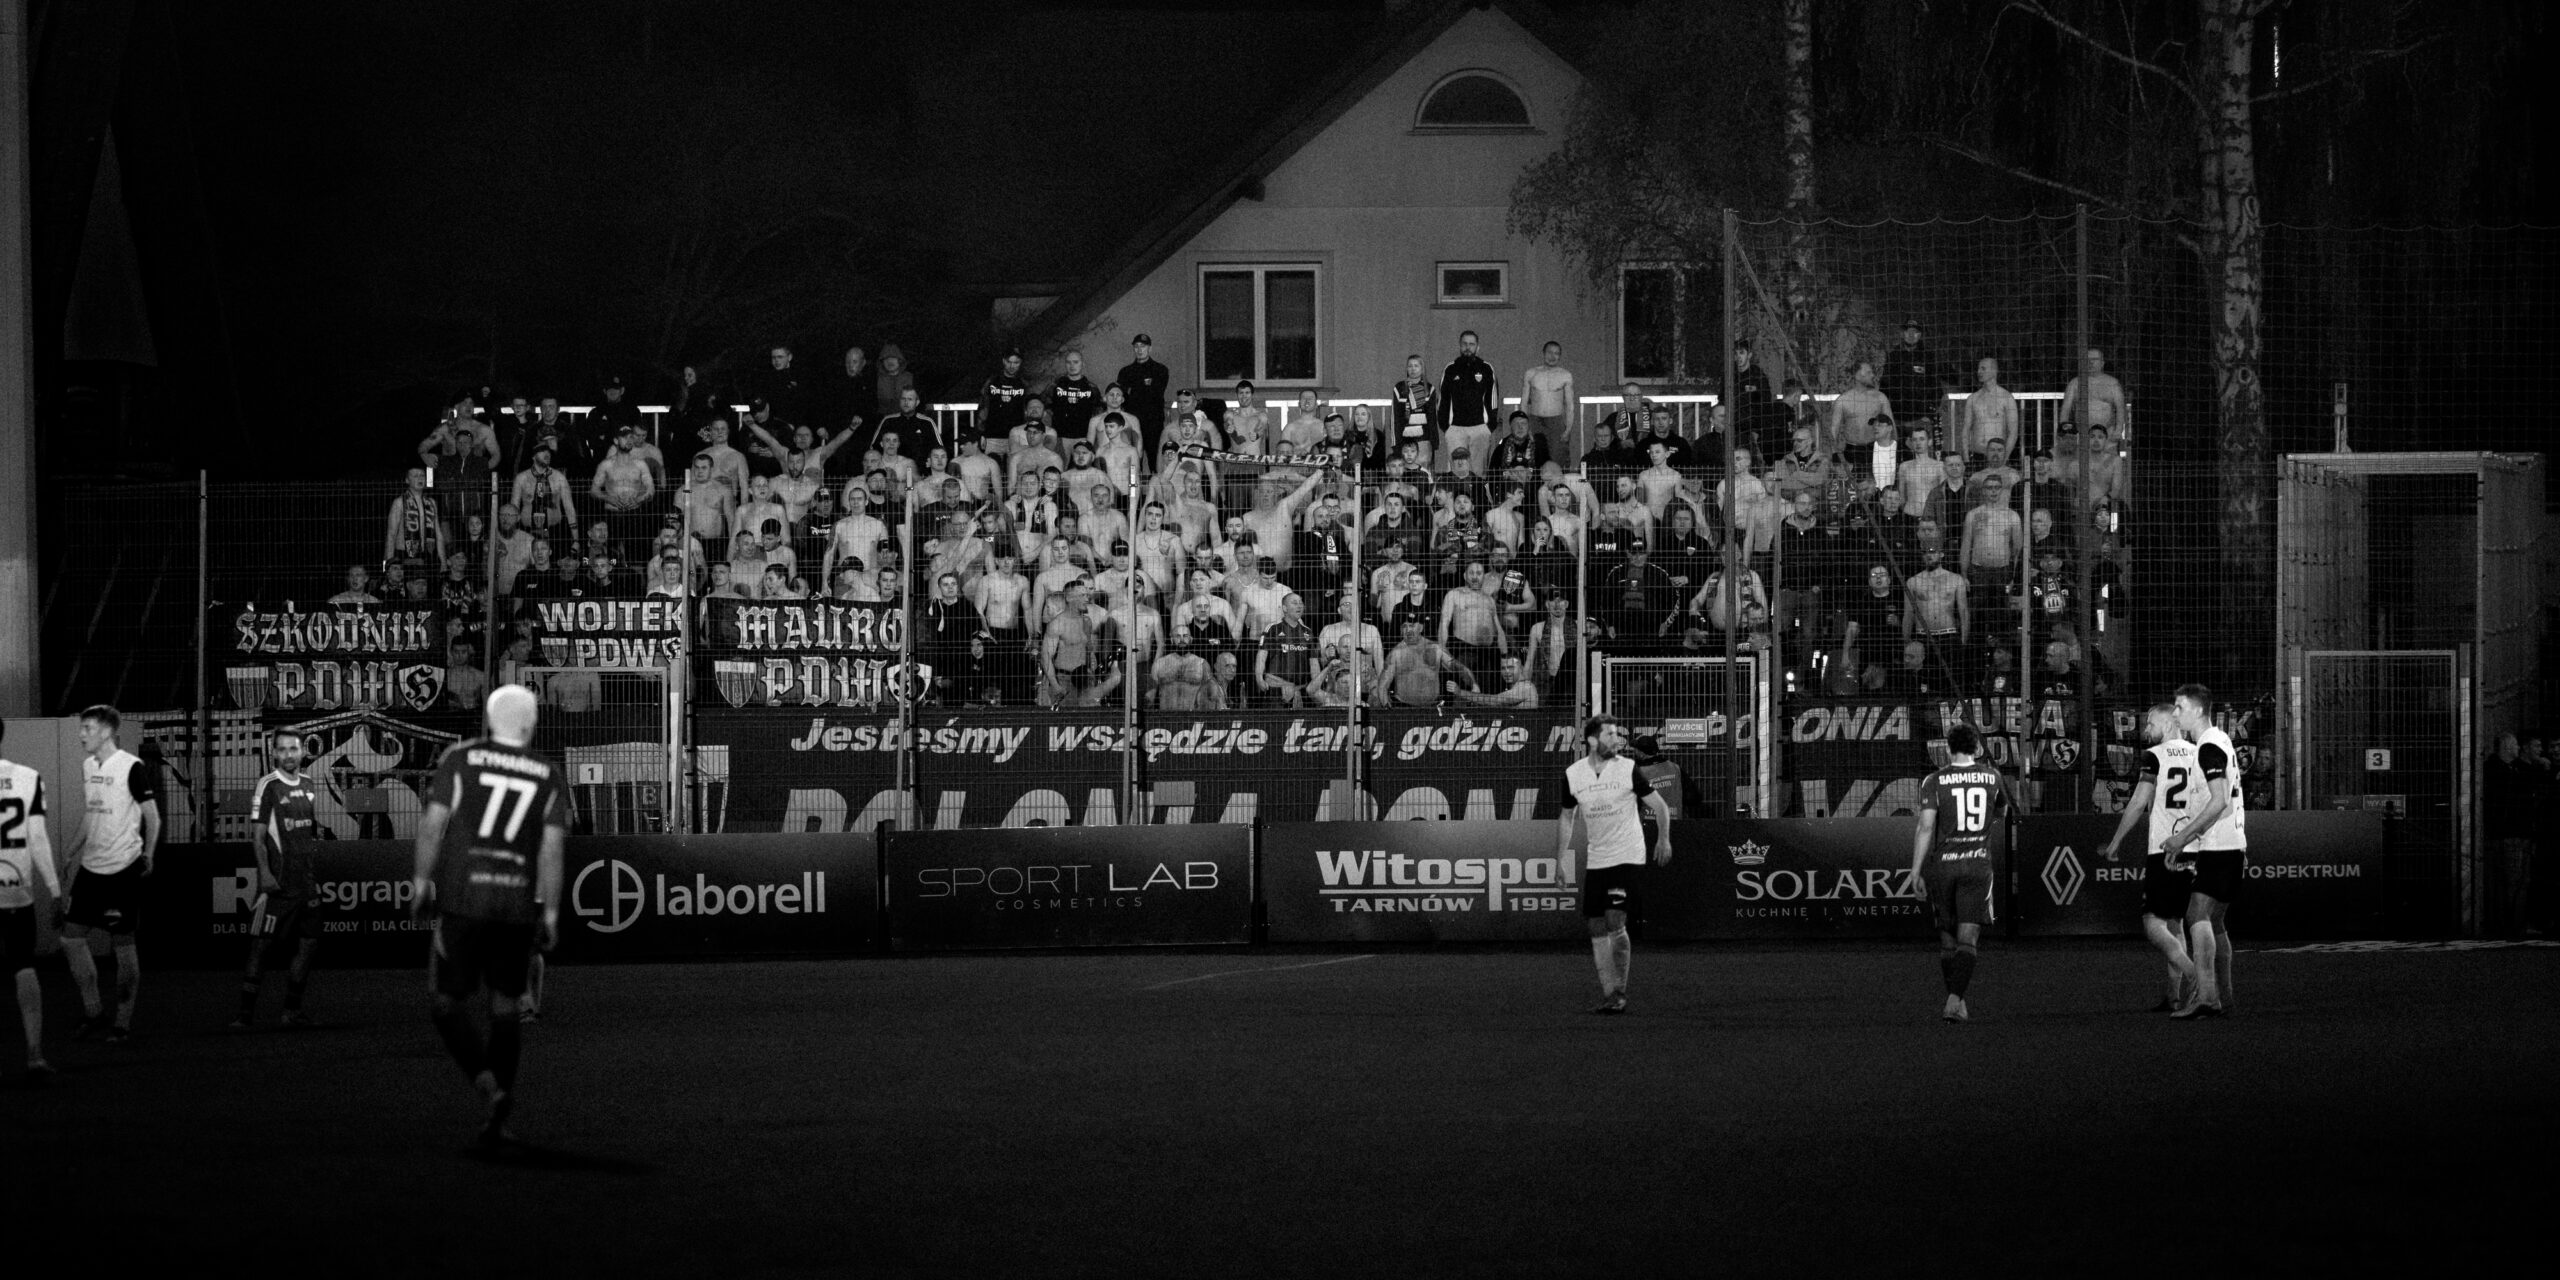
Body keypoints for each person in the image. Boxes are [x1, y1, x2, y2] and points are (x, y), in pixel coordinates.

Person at [412, 685, 571, 1149]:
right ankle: (498, 1121)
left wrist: (421, 881)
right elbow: (553, 849)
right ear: (531, 723)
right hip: (516, 905)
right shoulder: (548, 773)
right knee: (505, 1007)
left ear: (488, 719)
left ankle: (489, 1088)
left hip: (465, 899)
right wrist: (551, 912)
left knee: (445, 1002)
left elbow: (432, 825)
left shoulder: (461, 759)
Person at [1557, 714, 1673, 1016]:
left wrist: (1663, 840)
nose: (1617, 740)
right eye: (1610, 735)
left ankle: (1619, 992)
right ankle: (1609, 993)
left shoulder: (1628, 769)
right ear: (1592, 740)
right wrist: (1560, 859)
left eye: (1617, 734)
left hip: (1627, 854)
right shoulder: (1573, 774)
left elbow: (1660, 806)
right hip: (1598, 857)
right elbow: (1567, 817)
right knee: (1596, 925)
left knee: (1614, 920)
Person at [57, 705, 160, 1044]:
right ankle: (94, 1011)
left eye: (87, 728)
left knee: (123, 945)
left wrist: (148, 854)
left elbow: (152, 817)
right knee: (71, 939)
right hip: (91, 868)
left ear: (105, 732)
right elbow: (92, 813)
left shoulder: (131, 767)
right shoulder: (89, 766)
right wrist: (70, 852)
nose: (81, 734)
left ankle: (122, 1023)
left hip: (122, 870)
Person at [2100, 704, 2212, 1012]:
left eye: (2150, 723)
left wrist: (2116, 841)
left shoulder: (2155, 755)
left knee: (2152, 923)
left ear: (2168, 724)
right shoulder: (2200, 753)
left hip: (2165, 850)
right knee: (2176, 922)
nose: (2146, 729)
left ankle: (2196, 976)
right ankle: (2174, 996)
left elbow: (2138, 802)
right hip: (2195, 847)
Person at [1908, 721, 2009, 1022]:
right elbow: (2002, 812)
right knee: (1968, 938)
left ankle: (1955, 1000)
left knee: (1948, 941)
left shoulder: (1934, 780)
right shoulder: (1992, 776)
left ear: (1948, 749)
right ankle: (1955, 999)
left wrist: (1915, 870)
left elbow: (1926, 827)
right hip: (1977, 864)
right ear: (1977, 747)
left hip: (1944, 866)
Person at [233, 729, 325, 1030]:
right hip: (278, 885)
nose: (288, 755)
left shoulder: (309, 784)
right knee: (261, 948)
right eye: (282, 749)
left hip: (306, 884)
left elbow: (305, 833)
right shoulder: (268, 785)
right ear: (274, 753)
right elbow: (258, 838)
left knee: (309, 945)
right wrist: (265, 874)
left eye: (293, 749)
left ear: (303, 752)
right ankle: (245, 1016)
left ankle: (291, 1012)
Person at [2161, 684, 2243, 1019]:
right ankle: (2224, 994)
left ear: (2197, 710)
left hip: (2220, 847)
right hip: (2232, 845)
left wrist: (2182, 838)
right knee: (2215, 920)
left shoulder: (2208, 745)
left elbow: (2220, 801)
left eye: (2180, 707)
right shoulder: (2221, 740)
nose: (2175, 713)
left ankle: (2207, 996)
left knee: (2196, 916)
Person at [0, 724, 64, 1081]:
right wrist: (54, 890)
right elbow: (37, 838)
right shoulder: (27, 777)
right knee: (24, 968)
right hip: (16, 891)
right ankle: (35, 1054)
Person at [1436, 330, 1500, 475]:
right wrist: (1446, 427)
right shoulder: (1450, 369)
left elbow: (1493, 400)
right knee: (1456, 472)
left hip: (1480, 429)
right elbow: (1442, 400)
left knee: (1478, 473)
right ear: (1459, 346)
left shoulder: (1486, 368)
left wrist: (1489, 426)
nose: (1468, 347)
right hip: (1455, 430)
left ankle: (1479, 491)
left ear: (1477, 347)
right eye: (1464, 344)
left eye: (1471, 344)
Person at [1117, 334, 1171, 457]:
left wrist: (1134, 390)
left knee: (1154, 458)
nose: (1139, 349)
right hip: (1133, 422)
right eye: (1136, 346)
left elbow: (1155, 394)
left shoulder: (1160, 370)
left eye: (1143, 346)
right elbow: (1123, 397)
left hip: (1153, 422)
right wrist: (1143, 388)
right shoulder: (1126, 372)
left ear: (1150, 348)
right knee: (1134, 458)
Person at [1520, 341, 1576, 460]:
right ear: (1543, 353)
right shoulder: (1531, 373)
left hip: (1556, 422)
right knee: (1535, 457)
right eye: (1549, 352)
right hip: (1535, 420)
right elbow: (1524, 403)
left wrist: (1568, 429)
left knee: (1557, 458)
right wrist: (1526, 426)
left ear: (1560, 356)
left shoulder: (1565, 375)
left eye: (1556, 353)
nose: (1552, 356)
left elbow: (1570, 405)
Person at [2059, 346, 2129, 434]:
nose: (2090, 362)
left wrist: (2118, 431)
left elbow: (2120, 409)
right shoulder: (2074, 383)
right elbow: (2065, 410)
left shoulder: (2113, 383)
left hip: (2107, 435)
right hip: (2081, 435)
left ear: (2102, 363)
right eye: (2087, 359)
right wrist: (2064, 431)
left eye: (2094, 359)